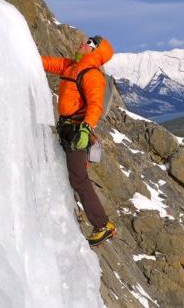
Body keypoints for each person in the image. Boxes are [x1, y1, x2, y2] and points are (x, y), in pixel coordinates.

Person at [42, 35, 116, 246]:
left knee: (78, 179)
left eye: (89, 43)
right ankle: (78, 211)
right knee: (68, 174)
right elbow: (46, 63)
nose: (82, 43)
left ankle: (103, 225)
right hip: (67, 129)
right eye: (85, 41)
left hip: (77, 131)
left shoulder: (91, 74)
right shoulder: (71, 67)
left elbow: (95, 105)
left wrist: (86, 128)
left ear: (95, 52)